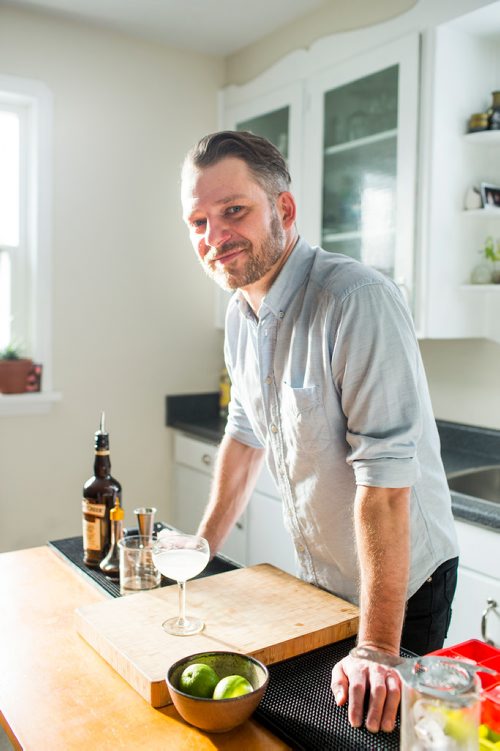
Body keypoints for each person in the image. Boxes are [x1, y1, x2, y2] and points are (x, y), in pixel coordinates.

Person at [180, 130, 459, 734]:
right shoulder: (239, 313)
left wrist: (378, 649)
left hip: (402, 589)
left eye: (234, 211)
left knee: (380, 735)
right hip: (326, 578)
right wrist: (199, 552)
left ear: (284, 209)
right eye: (198, 221)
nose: (213, 237)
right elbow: (245, 431)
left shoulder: (355, 298)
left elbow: (384, 481)